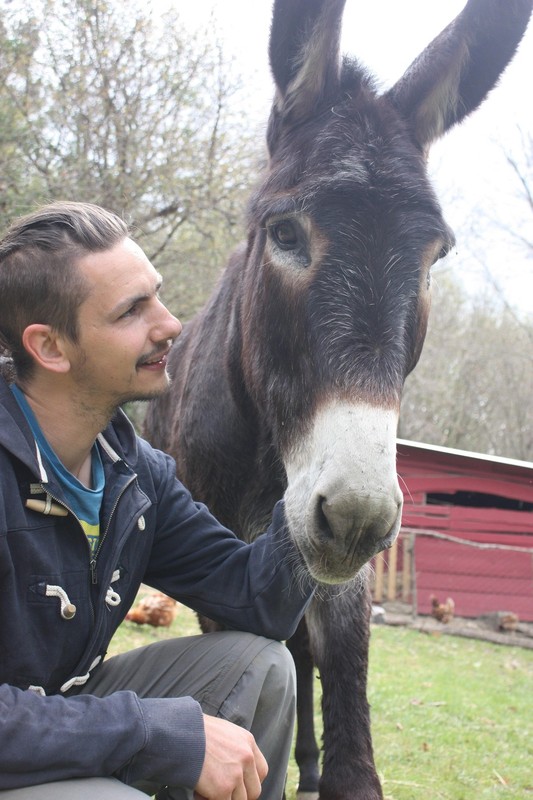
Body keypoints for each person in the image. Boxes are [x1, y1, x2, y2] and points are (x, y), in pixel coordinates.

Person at [0, 202, 316, 800]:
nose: (171, 324)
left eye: (158, 297)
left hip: (61, 709)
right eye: (131, 311)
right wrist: (151, 731)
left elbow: (257, 600)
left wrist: (319, 488)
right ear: (50, 347)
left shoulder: (129, 471)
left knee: (263, 667)